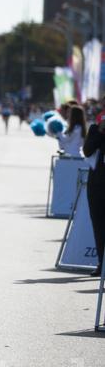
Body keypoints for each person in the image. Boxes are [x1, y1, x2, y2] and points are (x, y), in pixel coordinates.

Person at [83, 115, 105, 277]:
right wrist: (100, 131)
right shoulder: (95, 129)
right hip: (96, 184)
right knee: (98, 225)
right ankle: (101, 263)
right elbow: (87, 150)